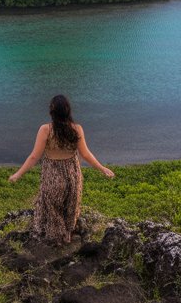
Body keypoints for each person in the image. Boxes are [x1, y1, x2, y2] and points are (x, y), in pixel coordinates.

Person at [8, 94, 115, 244]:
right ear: (68, 111)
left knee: (52, 204)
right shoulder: (77, 129)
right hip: (72, 172)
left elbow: (34, 157)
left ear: (52, 111)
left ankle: (55, 236)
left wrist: (18, 174)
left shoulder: (45, 129)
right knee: (71, 203)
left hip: (52, 172)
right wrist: (102, 168)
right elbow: (85, 154)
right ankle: (67, 234)